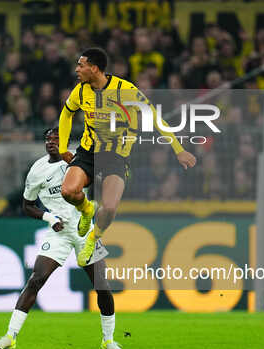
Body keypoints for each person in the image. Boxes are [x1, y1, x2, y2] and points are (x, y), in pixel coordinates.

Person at [0, 128, 124, 349]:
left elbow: (101, 182)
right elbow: (27, 205)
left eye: (56, 139)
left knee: (102, 286)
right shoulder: (37, 170)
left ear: (65, 142)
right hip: (58, 232)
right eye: (48, 139)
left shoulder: (77, 162)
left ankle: (108, 340)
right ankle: (10, 336)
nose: (51, 142)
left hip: (84, 230)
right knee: (36, 279)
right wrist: (49, 218)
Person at [58, 47, 196, 267]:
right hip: (88, 151)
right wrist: (63, 146)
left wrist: (179, 149)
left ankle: (93, 239)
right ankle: (86, 209)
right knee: (68, 191)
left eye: (81, 65)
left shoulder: (127, 91)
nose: (77, 69)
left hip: (116, 156)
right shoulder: (80, 91)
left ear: (94, 69)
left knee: (110, 208)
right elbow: (67, 113)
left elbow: (156, 118)